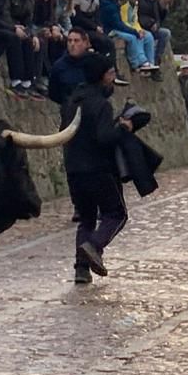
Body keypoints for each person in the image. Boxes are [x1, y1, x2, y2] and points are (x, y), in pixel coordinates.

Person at [61, 52, 130, 284]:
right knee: (116, 214)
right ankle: (94, 245)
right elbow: (104, 137)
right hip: (99, 170)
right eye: (111, 73)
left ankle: (81, 269)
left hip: (74, 170)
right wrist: (123, 127)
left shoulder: (71, 101)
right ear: (101, 76)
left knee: (86, 219)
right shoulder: (101, 105)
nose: (113, 78)